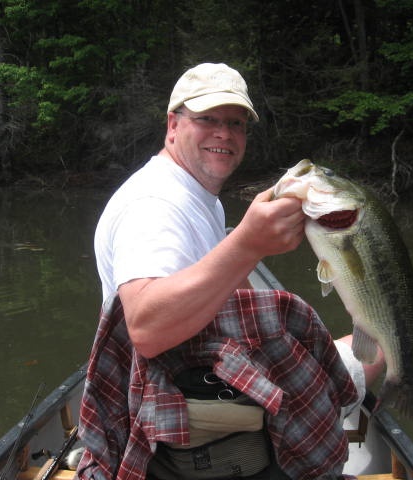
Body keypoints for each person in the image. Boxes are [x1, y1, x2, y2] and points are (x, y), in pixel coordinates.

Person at [79, 63, 384, 480]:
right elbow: (146, 330)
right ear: (173, 124)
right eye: (207, 119)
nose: (224, 133)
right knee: (376, 353)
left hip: (210, 368)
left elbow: (237, 298)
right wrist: (248, 243)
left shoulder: (201, 197)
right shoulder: (154, 206)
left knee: (356, 342)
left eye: (236, 124)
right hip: (182, 396)